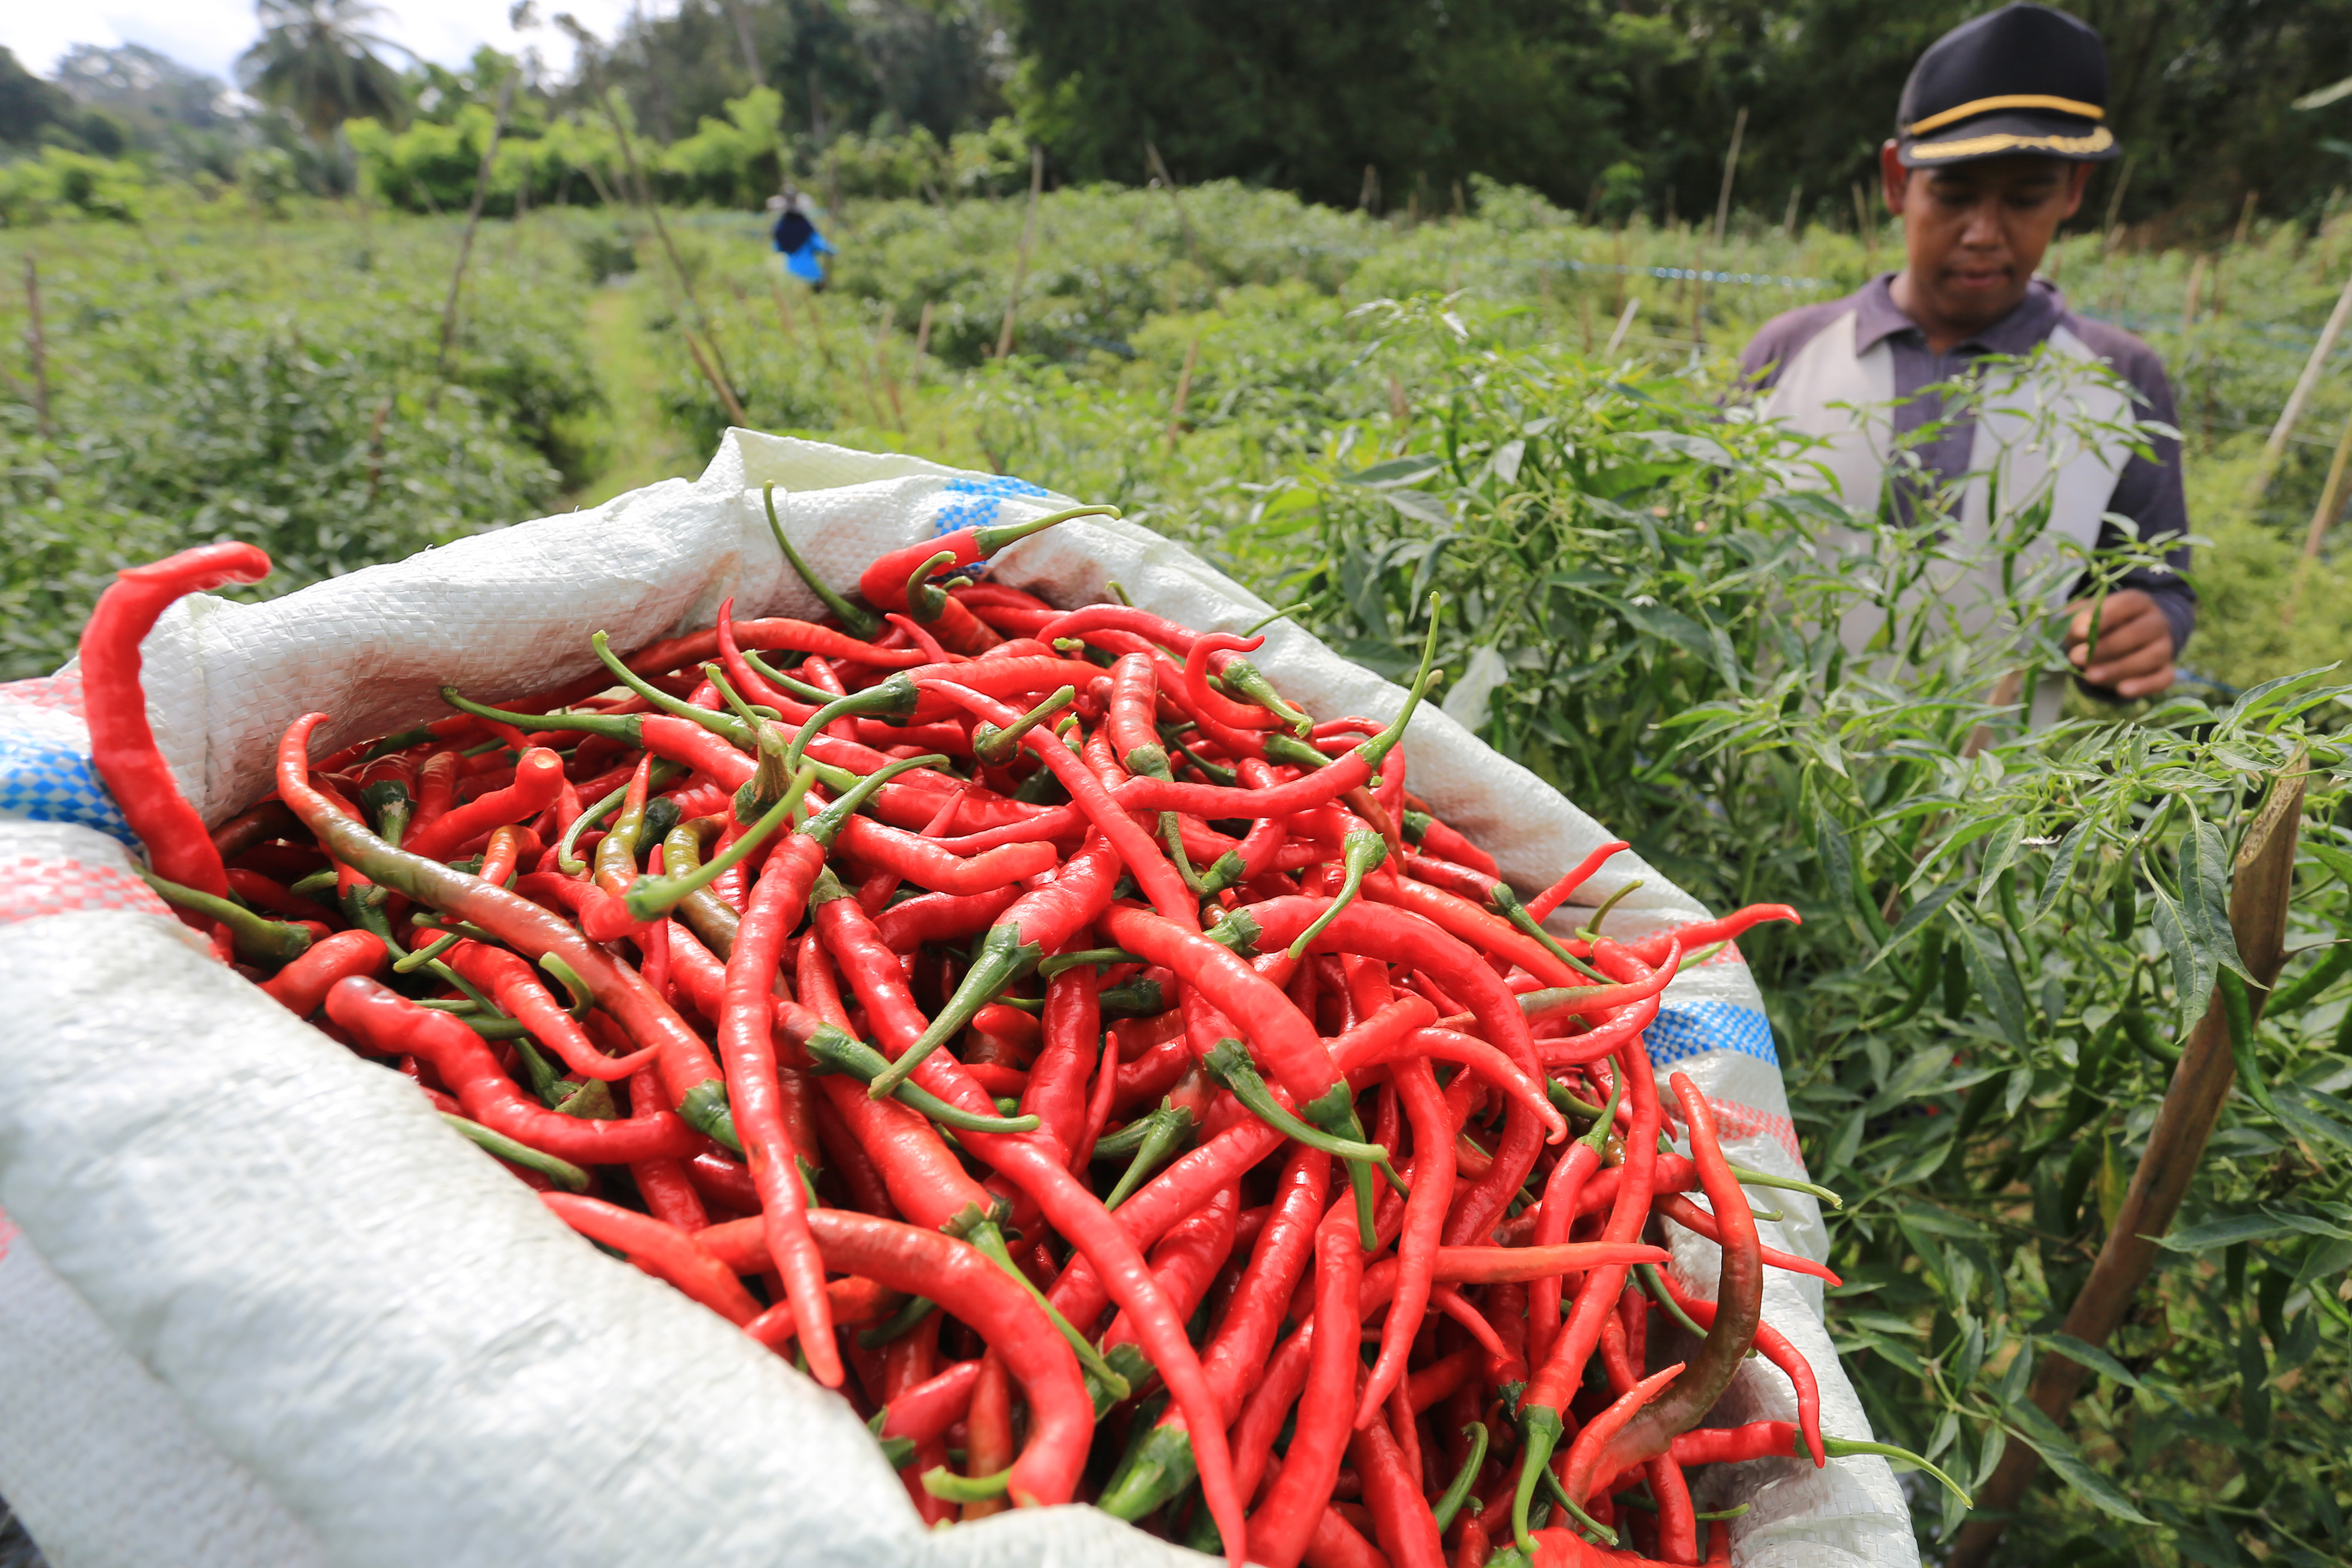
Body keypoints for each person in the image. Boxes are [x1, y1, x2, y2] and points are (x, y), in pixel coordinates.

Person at [1740, 2, 2191, 707]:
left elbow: (2156, 582)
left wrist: (2142, 629)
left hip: (1995, 774)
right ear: (1897, 181)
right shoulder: (1788, 352)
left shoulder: (2119, 378)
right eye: (1952, 196)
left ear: (2073, 191)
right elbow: (1707, 544)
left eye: (2025, 200)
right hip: (1770, 763)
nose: (1983, 232)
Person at [768, 190, 835, 292]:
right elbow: (821, 245)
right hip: (811, 273)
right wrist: (833, 250)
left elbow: (777, 248)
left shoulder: (780, 228)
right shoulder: (806, 227)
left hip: (790, 272)